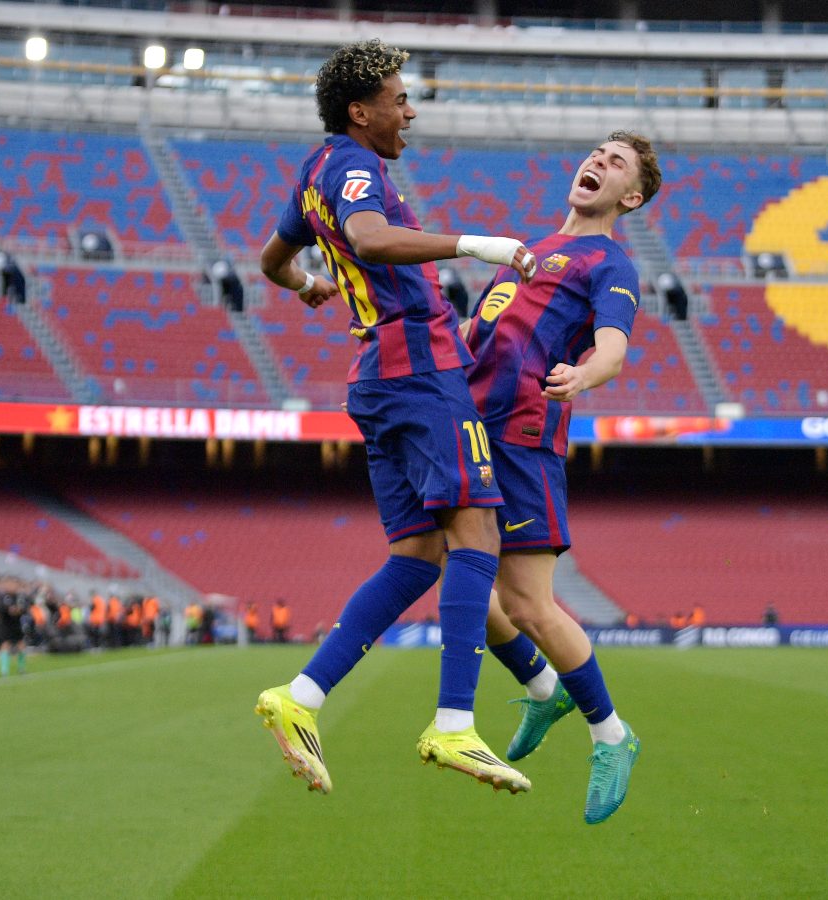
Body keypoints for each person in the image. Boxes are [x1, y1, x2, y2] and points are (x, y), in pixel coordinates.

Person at [253, 39, 538, 797]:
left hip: (376, 376)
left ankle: (300, 697)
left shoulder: (312, 174)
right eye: (400, 98)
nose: (409, 111)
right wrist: (479, 244)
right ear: (361, 110)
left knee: (416, 553)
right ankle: (453, 726)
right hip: (418, 368)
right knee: (475, 530)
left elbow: (269, 262)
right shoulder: (355, 167)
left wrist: (311, 284)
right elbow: (373, 239)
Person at [464, 131, 661, 824]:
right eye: (596, 154)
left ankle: (612, 734)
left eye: (616, 164)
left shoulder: (609, 263)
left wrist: (583, 374)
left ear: (629, 196)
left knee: (529, 607)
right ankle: (545, 690)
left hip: (522, 441)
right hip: (469, 432)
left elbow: (613, 348)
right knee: (446, 574)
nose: (597, 164)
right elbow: (475, 334)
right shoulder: (526, 251)